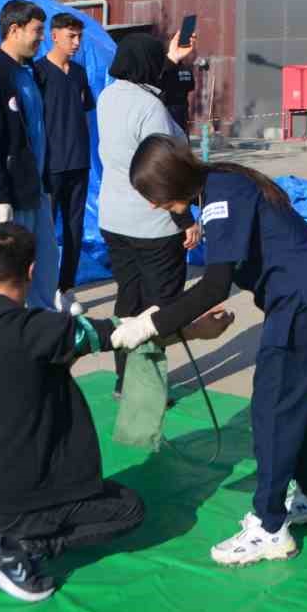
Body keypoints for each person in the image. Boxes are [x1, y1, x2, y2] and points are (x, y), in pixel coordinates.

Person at [0, 221, 235, 602]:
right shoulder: (42, 330)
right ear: (32, 271)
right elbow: (125, 333)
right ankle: (21, 549)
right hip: (4, 494)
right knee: (127, 510)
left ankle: (16, 526)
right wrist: (194, 331)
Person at [113, 135, 307, 567]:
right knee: (290, 405)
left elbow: (213, 285)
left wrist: (151, 323)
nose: (153, 207)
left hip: (303, 306)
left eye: (154, 197)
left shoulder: (220, 196)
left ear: (172, 183)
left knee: (271, 411)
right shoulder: (218, 181)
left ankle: (269, 527)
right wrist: (184, 217)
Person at [97, 31, 200, 395]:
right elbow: (162, 172)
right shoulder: (150, 108)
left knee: (128, 299)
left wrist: (172, 59)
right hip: (152, 224)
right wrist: (185, 217)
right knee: (160, 308)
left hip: (114, 219)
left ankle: (125, 378)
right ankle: (148, 384)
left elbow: (152, 87)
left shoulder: (108, 96)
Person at [0, 0, 60, 309]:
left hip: (33, 192)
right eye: (37, 31)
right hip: (6, 198)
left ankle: (42, 332)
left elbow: (37, 138)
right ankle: (1, 339)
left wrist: (45, 188)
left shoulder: (28, 74)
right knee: (7, 280)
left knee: (43, 270)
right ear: (14, 29)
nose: (42, 38)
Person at [36, 12, 97, 309]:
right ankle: (42, 289)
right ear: (53, 35)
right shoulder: (38, 73)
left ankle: (66, 287)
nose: (76, 42)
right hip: (50, 166)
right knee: (45, 231)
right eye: (70, 36)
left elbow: (85, 112)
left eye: (79, 37)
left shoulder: (79, 73)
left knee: (75, 228)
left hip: (78, 162)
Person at [159, 30, 197, 134]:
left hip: (171, 107)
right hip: (181, 107)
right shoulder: (186, 68)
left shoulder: (166, 69)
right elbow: (191, 86)